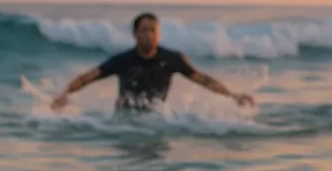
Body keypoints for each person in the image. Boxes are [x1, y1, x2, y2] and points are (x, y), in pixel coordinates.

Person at [51, 12, 255, 112]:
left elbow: (203, 79)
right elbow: (88, 77)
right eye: (144, 30)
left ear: (158, 34)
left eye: (153, 30)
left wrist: (232, 95)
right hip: (125, 122)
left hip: (155, 122)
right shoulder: (123, 60)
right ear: (135, 34)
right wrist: (64, 94)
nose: (149, 35)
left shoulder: (172, 59)